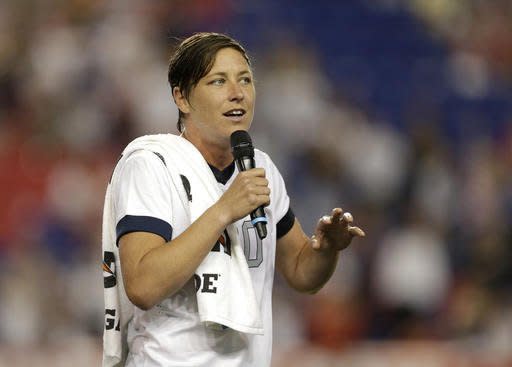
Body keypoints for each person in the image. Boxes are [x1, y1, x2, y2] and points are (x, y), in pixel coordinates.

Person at [102, 32, 365, 367]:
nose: (237, 93)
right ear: (182, 98)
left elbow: (302, 274)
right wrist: (224, 210)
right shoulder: (153, 165)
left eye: (245, 80)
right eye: (218, 81)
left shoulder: (260, 167)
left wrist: (327, 249)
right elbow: (142, 285)